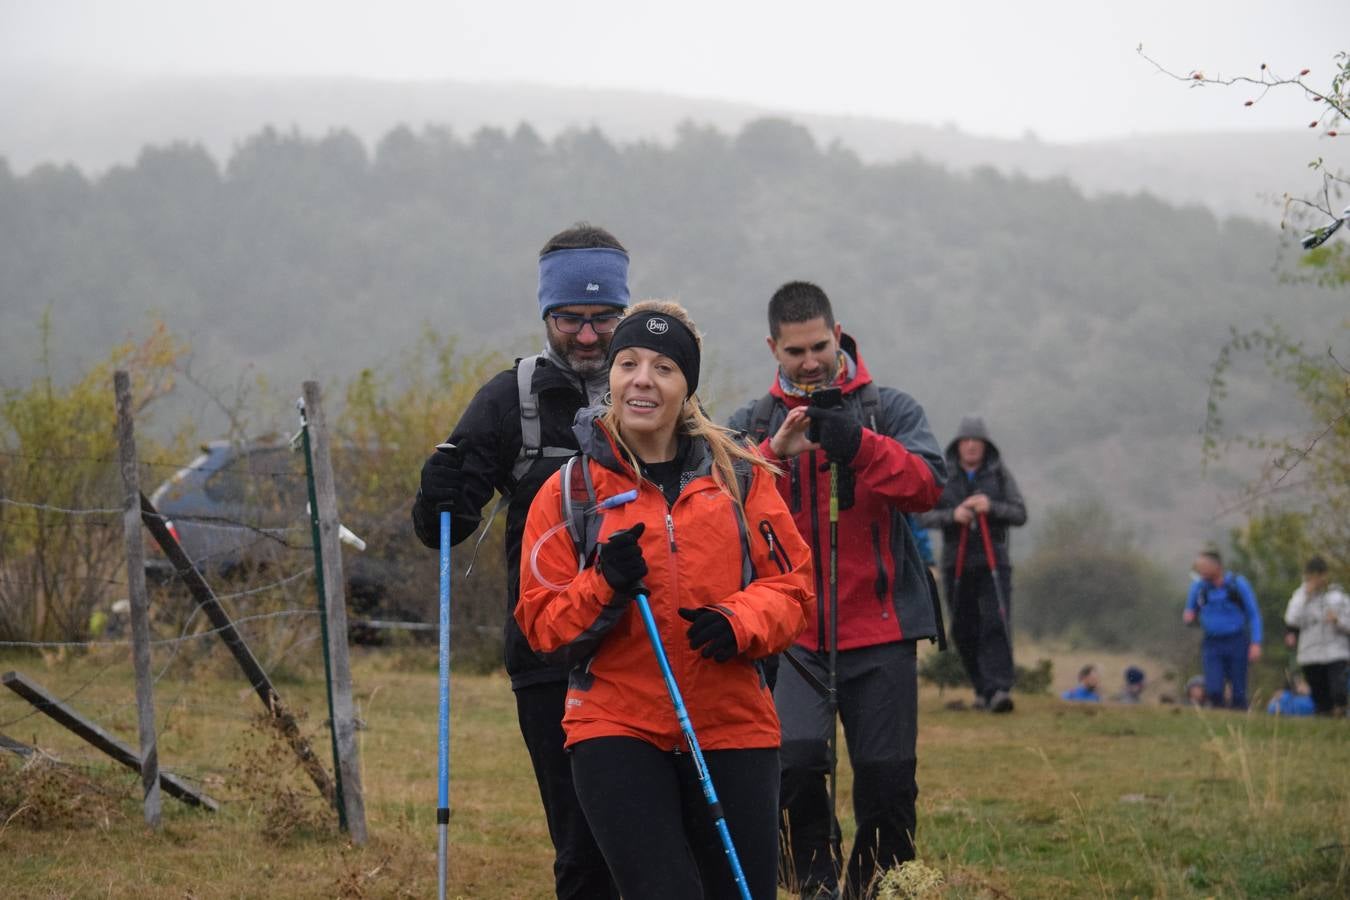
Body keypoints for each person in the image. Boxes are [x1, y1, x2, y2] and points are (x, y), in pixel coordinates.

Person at [515, 300, 814, 900]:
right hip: (615, 725)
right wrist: (605, 583)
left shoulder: (744, 477)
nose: (642, 379)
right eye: (628, 363)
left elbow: (792, 588)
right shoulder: (569, 490)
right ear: (612, 378)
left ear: (687, 388)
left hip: (733, 726)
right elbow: (543, 625)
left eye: (663, 367)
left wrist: (738, 621)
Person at [411, 223, 630, 899]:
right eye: (571, 319)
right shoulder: (510, 399)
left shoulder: (660, 388)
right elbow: (444, 527)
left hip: (646, 656)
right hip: (549, 656)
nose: (588, 337)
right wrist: (438, 495)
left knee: (647, 842)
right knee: (583, 848)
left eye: (604, 318)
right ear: (545, 314)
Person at [728, 281, 946, 900]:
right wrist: (774, 451)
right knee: (794, 770)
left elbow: (930, 486)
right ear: (773, 347)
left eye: (819, 345)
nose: (810, 361)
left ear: (837, 332)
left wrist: (859, 444)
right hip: (789, 635)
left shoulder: (889, 409)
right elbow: (714, 503)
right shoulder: (752, 422)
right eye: (794, 351)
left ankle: (878, 889)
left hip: (882, 631)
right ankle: (815, 888)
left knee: (887, 784)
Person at [918, 416, 1027, 714]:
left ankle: (999, 690)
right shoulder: (945, 475)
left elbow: (1019, 513)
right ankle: (981, 687)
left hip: (994, 562)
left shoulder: (999, 474)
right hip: (957, 563)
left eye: (976, 441)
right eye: (966, 441)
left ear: (985, 446)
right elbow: (924, 514)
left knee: (996, 621)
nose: (970, 446)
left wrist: (991, 508)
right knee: (963, 628)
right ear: (958, 446)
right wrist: (953, 515)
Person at [1183, 550, 1263, 710]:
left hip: (1236, 640)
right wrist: (1189, 616)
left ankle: (1240, 720)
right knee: (1213, 689)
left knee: (1239, 691)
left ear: (1216, 566)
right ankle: (1218, 718)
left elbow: (1254, 614)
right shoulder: (1199, 588)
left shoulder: (1237, 584)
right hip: (1212, 642)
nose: (1199, 571)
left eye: (1202, 567)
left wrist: (1256, 642)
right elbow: (1189, 611)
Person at [1282, 555, 1350, 716]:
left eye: (1319, 575)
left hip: (1336, 652)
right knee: (1320, 695)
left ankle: (1341, 713)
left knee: (1338, 690)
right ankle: (1324, 718)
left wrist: (1338, 621)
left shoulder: (1338, 597)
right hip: (1310, 654)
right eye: (1312, 576)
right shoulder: (1299, 597)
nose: (1316, 580)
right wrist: (1306, 596)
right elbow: (1291, 620)